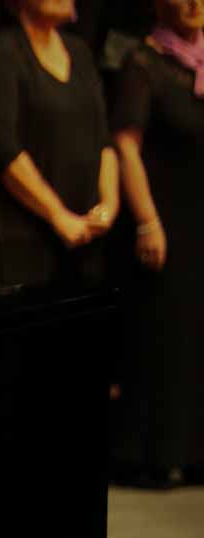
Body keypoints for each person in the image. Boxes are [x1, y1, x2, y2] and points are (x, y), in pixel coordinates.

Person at [112, 0, 204, 487]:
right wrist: (147, 221)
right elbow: (126, 146)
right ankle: (157, 453)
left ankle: (196, 452)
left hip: (200, 218)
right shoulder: (143, 62)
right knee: (168, 337)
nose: (194, 5)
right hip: (166, 217)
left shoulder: (202, 63)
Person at [0, 0, 116, 284]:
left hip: (87, 233)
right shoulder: (2, 53)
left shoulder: (79, 51)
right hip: (25, 236)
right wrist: (58, 215)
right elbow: (3, 146)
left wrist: (109, 204)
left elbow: (103, 137)